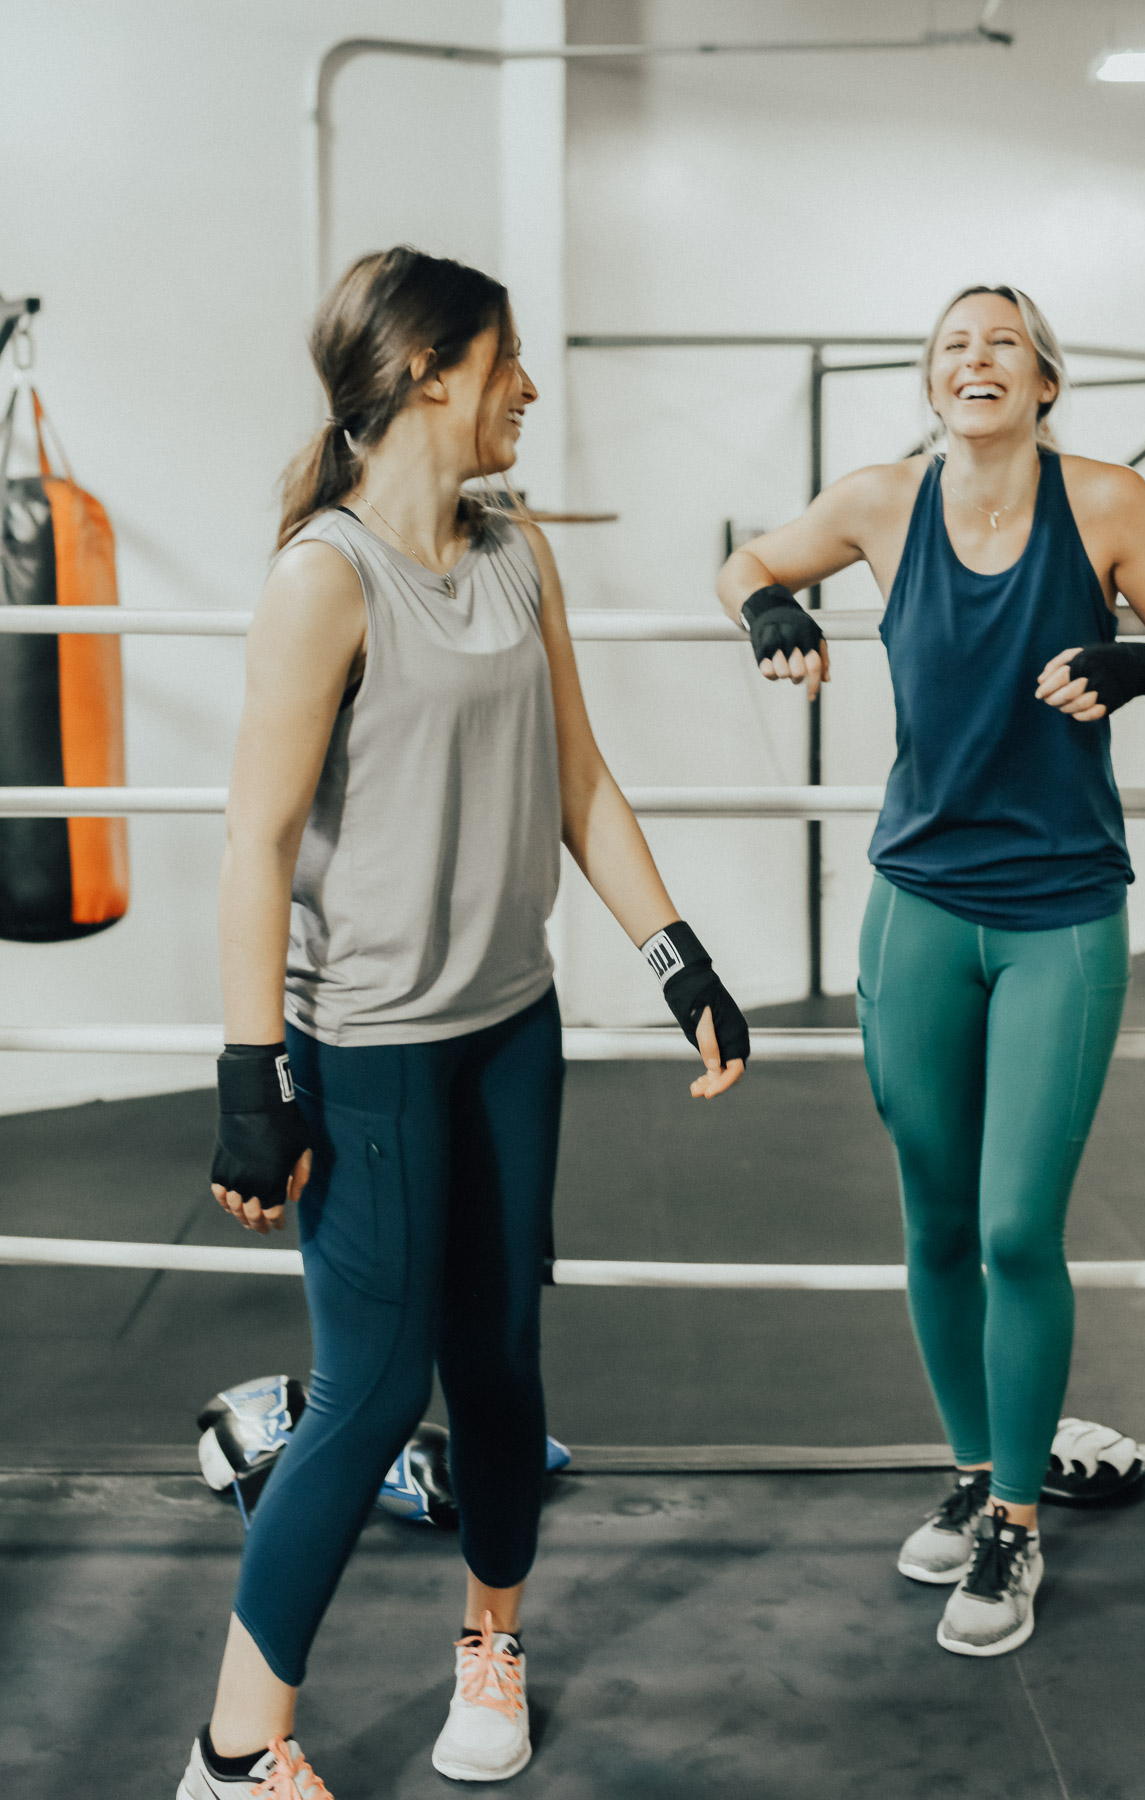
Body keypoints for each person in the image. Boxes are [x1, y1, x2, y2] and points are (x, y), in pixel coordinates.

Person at [177, 245, 750, 1800]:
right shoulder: (326, 576)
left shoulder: (514, 551)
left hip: (512, 1022)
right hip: (366, 1041)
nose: (531, 391)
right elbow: (257, 841)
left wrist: (676, 953)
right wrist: (250, 1076)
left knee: (499, 1360)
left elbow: (577, 773)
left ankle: (490, 1641)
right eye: (510, 365)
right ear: (432, 374)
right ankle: (234, 1756)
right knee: (367, 1392)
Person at [717, 283, 1145, 1657]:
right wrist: (770, 617)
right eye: (952, 344)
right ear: (931, 382)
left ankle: (1018, 1524)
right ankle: (981, 1467)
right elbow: (748, 564)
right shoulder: (880, 500)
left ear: (1045, 381)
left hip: (1058, 912)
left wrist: (1137, 661)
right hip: (917, 906)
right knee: (931, 1219)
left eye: (1002, 343)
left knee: (1011, 1228)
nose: (974, 358)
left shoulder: (1106, 503)